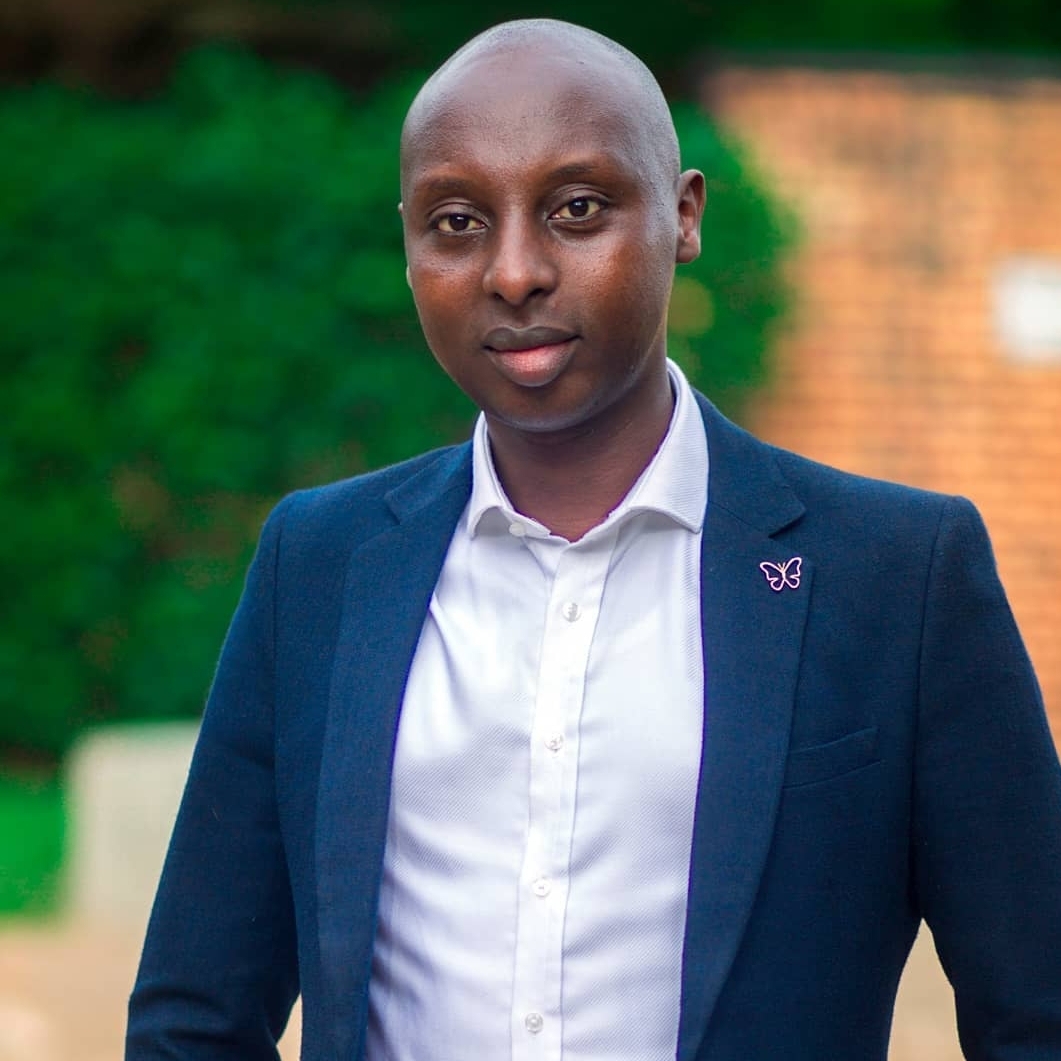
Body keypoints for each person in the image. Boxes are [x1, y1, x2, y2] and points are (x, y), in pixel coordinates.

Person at [126, 17, 1061, 1061]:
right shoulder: (318, 565)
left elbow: (1036, 1012)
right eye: (455, 221)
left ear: (682, 214)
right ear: (408, 245)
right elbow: (193, 1018)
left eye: (576, 208)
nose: (513, 272)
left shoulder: (898, 576)